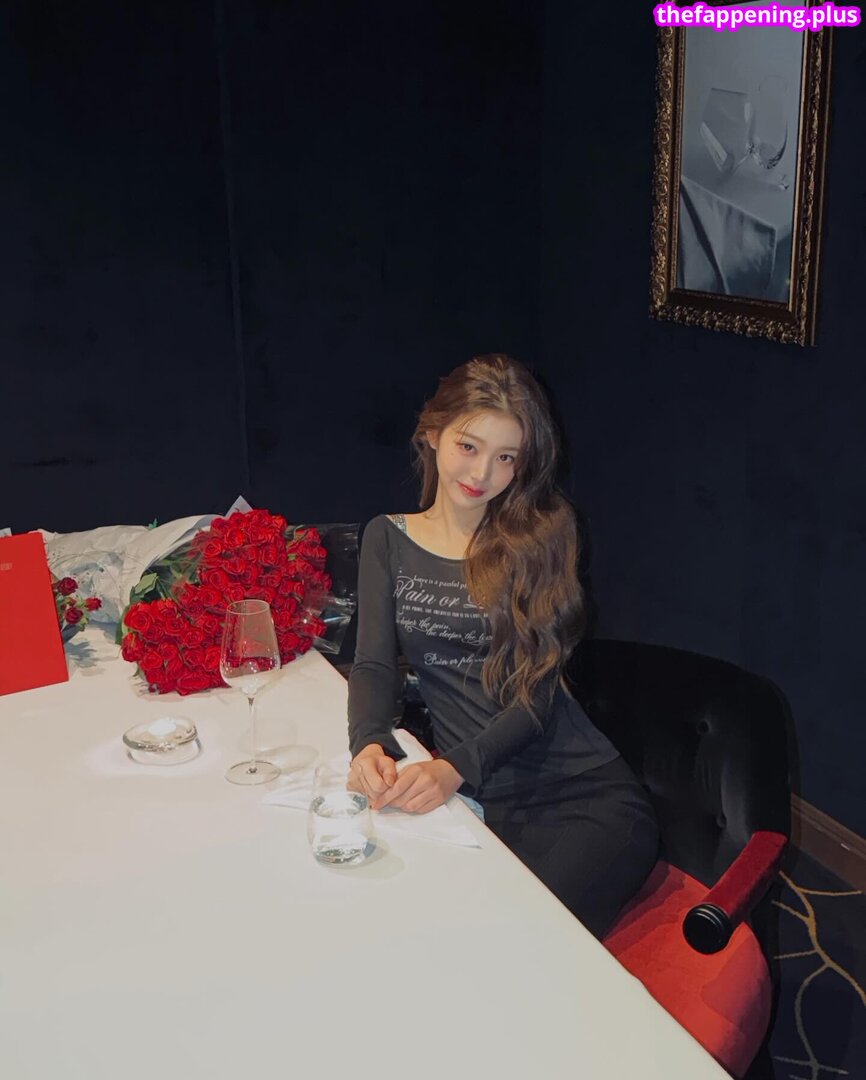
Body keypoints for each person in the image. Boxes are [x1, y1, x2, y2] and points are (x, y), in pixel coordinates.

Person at [346, 354, 658, 939]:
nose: (482, 472)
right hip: (476, 795)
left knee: (514, 942)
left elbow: (540, 695)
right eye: (469, 446)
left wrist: (454, 769)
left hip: (581, 797)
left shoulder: (541, 536)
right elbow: (373, 665)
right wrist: (366, 744)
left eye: (506, 457)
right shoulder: (386, 537)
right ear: (432, 433)